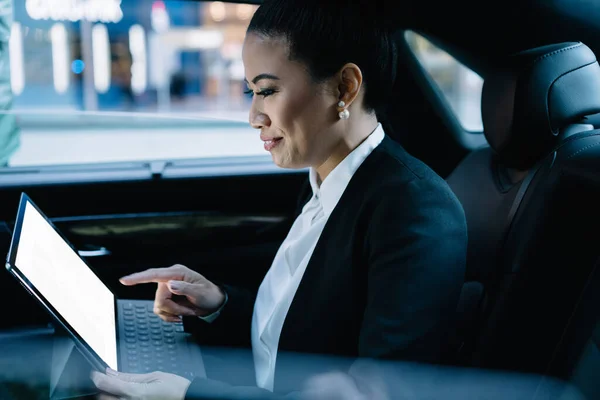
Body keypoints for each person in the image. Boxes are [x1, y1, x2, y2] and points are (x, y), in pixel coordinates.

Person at [91, 0, 468, 398]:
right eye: (251, 91)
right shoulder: (323, 180)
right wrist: (218, 304)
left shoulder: (415, 210)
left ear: (345, 87)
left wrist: (189, 395)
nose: (254, 115)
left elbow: (375, 393)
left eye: (267, 91)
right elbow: (300, 334)